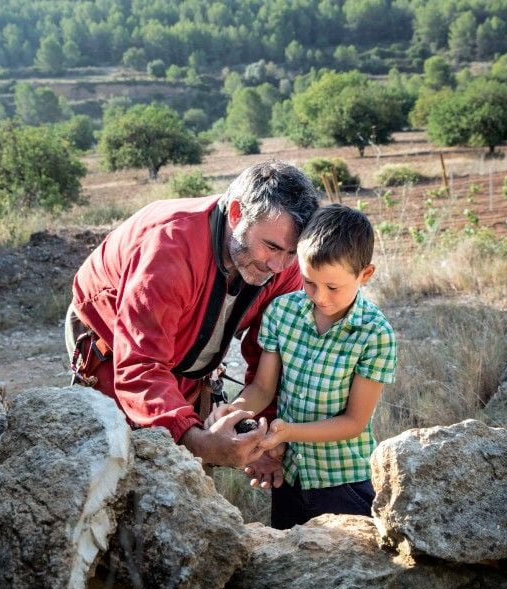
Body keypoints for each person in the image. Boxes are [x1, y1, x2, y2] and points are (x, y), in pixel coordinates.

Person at [65, 160, 320, 477]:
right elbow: (140, 365)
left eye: (291, 253)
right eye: (271, 247)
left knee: (187, 478)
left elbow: (270, 356)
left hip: (186, 354)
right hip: (114, 344)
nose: (278, 266)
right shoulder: (169, 248)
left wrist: (260, 435)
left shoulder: (282, 265)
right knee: (122, 467)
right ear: (236, 214)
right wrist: (197, 441)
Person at [206, 204, 396, 529]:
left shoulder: (375, 334)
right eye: (309, 282)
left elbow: (353, 422)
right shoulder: (282, 312)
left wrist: (289, 432)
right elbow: (263, 388)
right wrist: (234, 411)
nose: (319, 297)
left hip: (344, 483)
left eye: (333, 287)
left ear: (365, 275)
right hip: (290, 481)